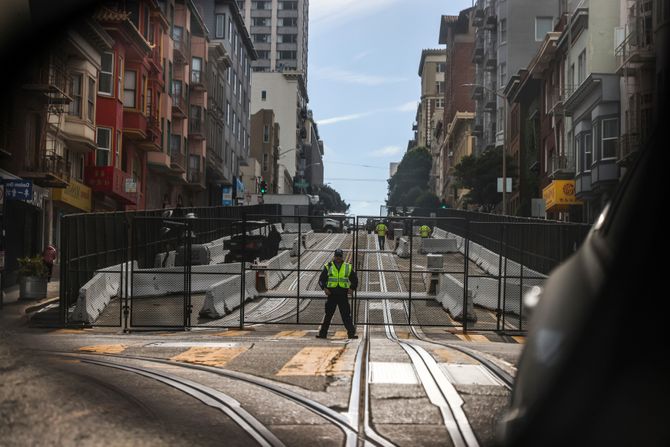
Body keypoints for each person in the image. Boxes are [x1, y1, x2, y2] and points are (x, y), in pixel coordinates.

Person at [316, 248, 358, 339]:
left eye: (340, 256)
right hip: (332, 295)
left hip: (343, 295)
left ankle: (351, 334)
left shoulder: (347, 266)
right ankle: (323, 334)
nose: (338, 258)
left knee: (346, 315)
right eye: (337, 256)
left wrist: (352, 288)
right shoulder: (328, 266)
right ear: (334, 256)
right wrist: (324, 288)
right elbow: (321, 280)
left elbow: (355, 279)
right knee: (328, 315)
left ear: (342, 257)